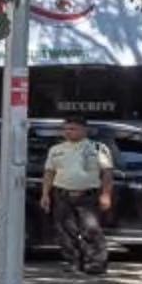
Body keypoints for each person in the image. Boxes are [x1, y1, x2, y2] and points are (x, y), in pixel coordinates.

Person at [41, 117, 115, 275]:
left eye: (72, 129)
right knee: (65, 230)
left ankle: (96, 263)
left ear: (84, 130)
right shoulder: (56, 149)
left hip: (88, 195)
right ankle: (73, 261)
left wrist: (106, 194)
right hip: (62, 193)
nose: (68, 132)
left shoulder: (97, 148)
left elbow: (107, 173)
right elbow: (49, 173)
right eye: (66, 129)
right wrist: (45, 194)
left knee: (91, 229)